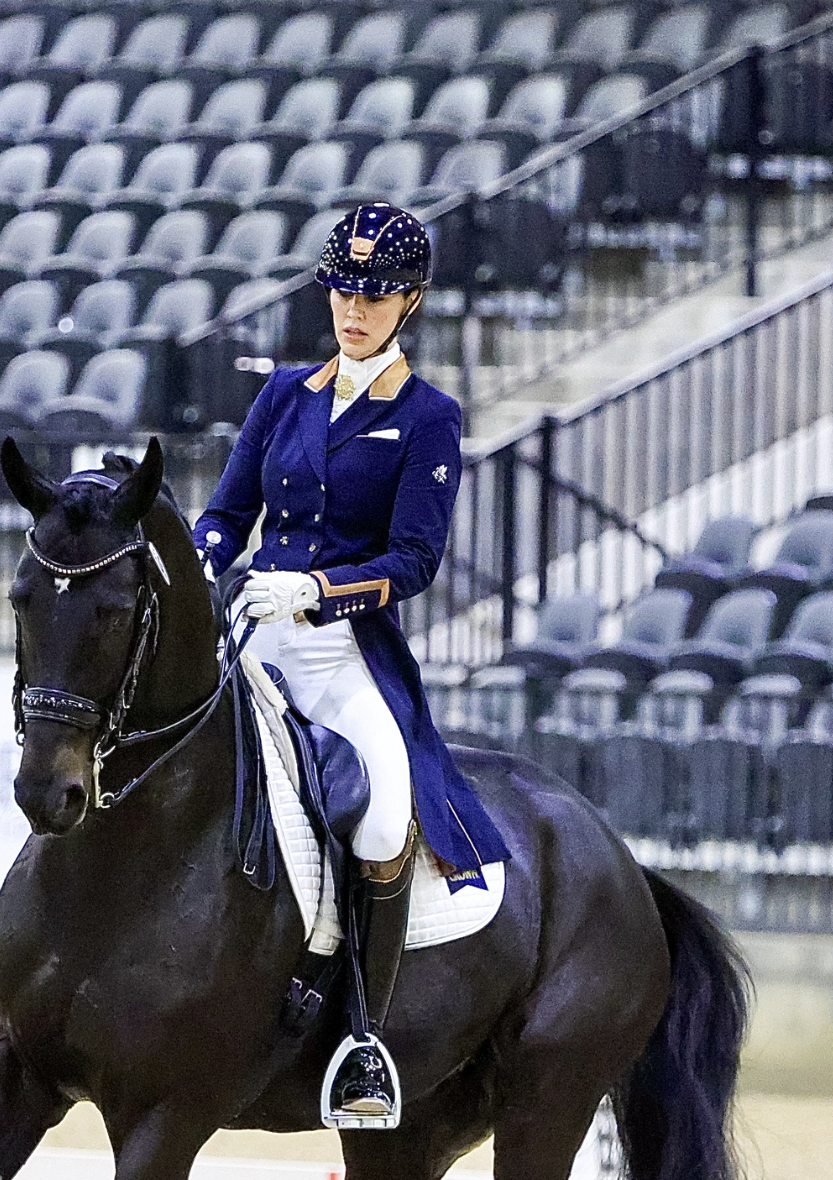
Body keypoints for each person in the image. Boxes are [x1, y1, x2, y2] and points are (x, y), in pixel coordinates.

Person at [192, 202, 508, 1127]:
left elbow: (413, 561)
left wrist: (320, 592)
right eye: (343, 288)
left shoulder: (426, 417)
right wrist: (207, 563)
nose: (354, 307)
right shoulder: (283, 394)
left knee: (380, 812)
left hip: (341, 651)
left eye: (375, 293)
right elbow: (223, 512)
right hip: (257, 634)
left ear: (409, 301)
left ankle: (362, 1040)